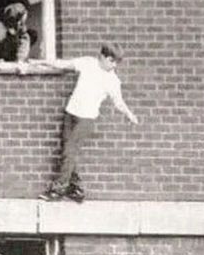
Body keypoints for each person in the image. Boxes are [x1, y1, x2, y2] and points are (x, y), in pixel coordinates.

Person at [38, 43, 139, 201]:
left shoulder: (113, 80)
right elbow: (63, 64)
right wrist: (40, 62)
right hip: (70, 114)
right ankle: (76, 188)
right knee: (68, 153)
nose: (114, 65)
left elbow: (118, 102)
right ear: (103, 57)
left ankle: (58, 190)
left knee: (69, 152)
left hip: (86, 119)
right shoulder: (87, 63)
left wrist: (129, 114)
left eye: (116, 63)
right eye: (112, 61)